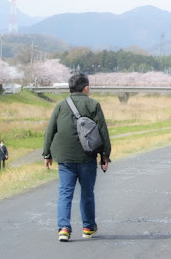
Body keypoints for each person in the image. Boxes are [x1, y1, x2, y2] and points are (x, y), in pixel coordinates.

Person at [43, 73, 111, 243]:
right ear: (86, 88)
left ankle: (64, 229)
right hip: (87, 158)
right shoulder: (94, 105)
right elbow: (103, 132)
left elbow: (50, 131)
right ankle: (88, 227)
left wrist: (47, 154)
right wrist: (105, 156)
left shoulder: (60, 106)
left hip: (64, 158)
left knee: (65, 193)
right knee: (87, 193)